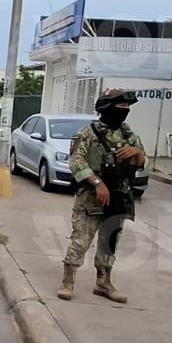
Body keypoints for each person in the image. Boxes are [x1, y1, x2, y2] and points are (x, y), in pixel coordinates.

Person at [58, 88, 146, 304]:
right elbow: (76, 161)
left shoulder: (129, 135)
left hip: (118, 197)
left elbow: (143, 163)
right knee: (80, 241)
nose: (124, 111)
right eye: (120, 107)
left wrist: (137, 154)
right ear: (106, 108)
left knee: (109, 242)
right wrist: (97, 183)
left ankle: (103, 282)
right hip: (91, 198)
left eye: (127, 108)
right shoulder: (88, 133)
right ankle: (67, 282)